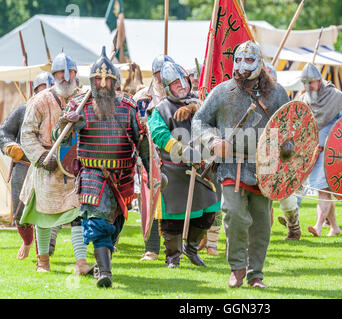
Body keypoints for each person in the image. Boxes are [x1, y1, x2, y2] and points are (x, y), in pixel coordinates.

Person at [192, 41, 289, 288]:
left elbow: (290, 126)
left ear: (260, 64)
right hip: (230, 165)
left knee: (261, 223)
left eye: (248, 60)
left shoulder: (277, 94)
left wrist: (287, 146)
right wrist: (213, 140)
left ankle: (256, 274)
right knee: (234, 215)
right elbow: (198, 121)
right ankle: (237, 268)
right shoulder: (223, 92)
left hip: (264, 166)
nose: (242, 66)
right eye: (238, 60)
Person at [53, 47, 152, 288]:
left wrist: (152, 171)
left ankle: (102, 260)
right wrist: (69, 123)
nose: (104, 82)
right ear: (92, 80)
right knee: (97, 223)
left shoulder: (128, 106)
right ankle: (104, 273)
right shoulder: (79, 105)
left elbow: (141, 140)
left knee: (113, 226)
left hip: (122, 176)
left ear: (116, 81)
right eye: (99, 78)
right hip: (92, 173)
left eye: (108, 78)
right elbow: (59, 136)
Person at [19, 53, 93, 276]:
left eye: (70, 72)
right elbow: (27, 134)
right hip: (47, 165)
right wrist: (41, 157)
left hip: (74, 167)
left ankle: (81, 263)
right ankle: (42, 261)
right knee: (45, 215)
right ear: (54, 75)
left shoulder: (83, 99)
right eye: (61, 72)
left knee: (78, 214)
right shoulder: (40, 101)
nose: (66, 76)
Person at [148, 61, 220, 269]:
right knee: (173, 219)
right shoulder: (160, 109)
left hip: (200, 170)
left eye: (183, 81)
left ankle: (192, 248)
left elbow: (213, 121)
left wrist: (197, 108)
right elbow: (160, 136)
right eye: (175, 83)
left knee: (209, 210)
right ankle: (172, 256)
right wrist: (185, 152)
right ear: (167, 86)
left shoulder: (200, 104)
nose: (181, 85)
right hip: (173, 170)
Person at [0, 72, 54, 260]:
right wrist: (9, 146)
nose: (45, 93)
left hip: (49, 166)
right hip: (24, 165)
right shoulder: (23, 110)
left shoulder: (59, 111)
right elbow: (4, 132)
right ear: (35, 90)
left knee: (46, 210)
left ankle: (44, 253)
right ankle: (28, 241)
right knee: (21, 213)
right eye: (42, 89)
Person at [294, 62, 342, 237]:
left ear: (319, 80)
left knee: (323, 188)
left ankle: (318, 226)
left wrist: (326, 143)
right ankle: (334, 227)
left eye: (310, 83)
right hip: (310, 151)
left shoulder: (337, 98)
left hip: (330, 151)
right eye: (305, 83)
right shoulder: (304, 99)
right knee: (321, 189)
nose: (308, 87)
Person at [133, 54, 175, 261]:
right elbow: (133, 124)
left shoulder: (179, 94)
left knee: (173, 204)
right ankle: (151, 248)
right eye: (160, 73)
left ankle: (174, 249)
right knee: (149, 202)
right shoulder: (142, 97)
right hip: (149, 157)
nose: (163, 77)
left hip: (174, 156)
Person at [263, 61, 301, 241]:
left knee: (284, 192)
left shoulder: (281, 96)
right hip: (261, 150)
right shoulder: (253, 96)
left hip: (280, 150)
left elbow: (290, 122)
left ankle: (294, 228)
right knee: (261, 193)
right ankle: (263, 233)